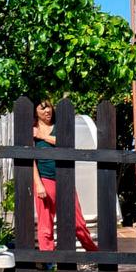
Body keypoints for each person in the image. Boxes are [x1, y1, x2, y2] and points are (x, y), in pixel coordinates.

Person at [31, 101, 96, 252]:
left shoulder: (58, 126)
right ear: (35, 111)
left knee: (78, 223)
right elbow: (30, 160)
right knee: (45, 226)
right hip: (45, 180)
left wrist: (42, 135)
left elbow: (66, 142)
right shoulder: (30, 131)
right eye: (42, 108)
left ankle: (96, 254)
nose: (47, 110)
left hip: (65, 180)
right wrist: (38, 184)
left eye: (49, 106)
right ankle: (49, 264)